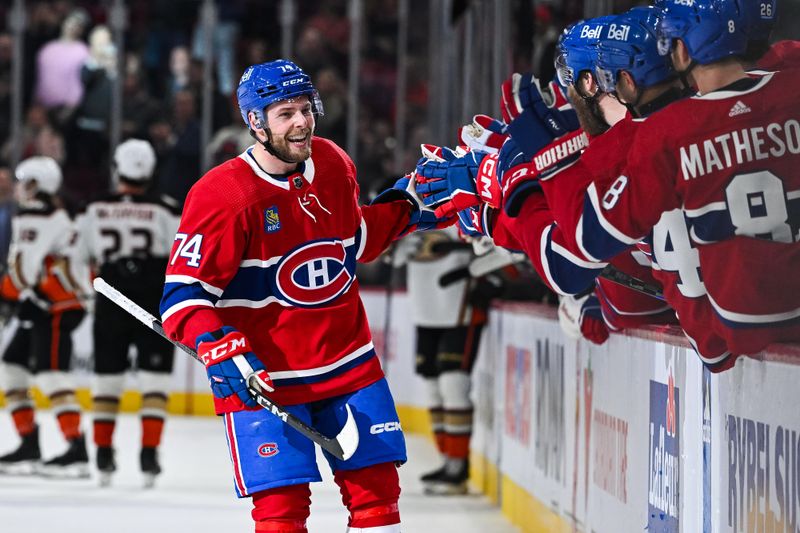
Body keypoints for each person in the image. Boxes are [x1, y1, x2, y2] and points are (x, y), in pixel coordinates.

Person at [160, 59, 452, 532]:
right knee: (281, 512)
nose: (301, 122)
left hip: (349, 364)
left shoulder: (334, 163)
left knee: (378, 499)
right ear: (255, 121)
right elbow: (182, 298)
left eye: (305, 109)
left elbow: (353, 242)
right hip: (267, 378)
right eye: (284, 113)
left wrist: (412, 207)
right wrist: (216, 345)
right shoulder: (224, 195)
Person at [75, 139, 180, 487]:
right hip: (154, 298)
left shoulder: (94, 208)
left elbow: (79, 258)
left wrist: (88, 296)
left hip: (110, 298)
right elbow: (180, 259)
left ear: (117, 167)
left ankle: (103, 454)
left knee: (107, 379)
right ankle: (149, 455)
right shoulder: (165, 208)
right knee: (155, 382)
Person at [0, 156, 90, 477]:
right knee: (13, 367)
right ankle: (28, 444)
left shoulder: (36, 216)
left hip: (54, 304)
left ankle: (76, 448)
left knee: (52, 375)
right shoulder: (56, 214)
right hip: (48, 301)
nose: (19, 188)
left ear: (39, 184)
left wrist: (6, 293)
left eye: (26, 182)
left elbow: (22, 273)